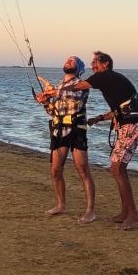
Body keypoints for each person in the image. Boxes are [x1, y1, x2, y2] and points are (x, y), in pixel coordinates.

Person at [68, 51, 138, 230]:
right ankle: (126, 212)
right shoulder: (111, 80)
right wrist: (99, 118)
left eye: (96, 62)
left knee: (116, 169)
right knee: (120, 170)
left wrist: (58, 88)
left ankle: (134, 215)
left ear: (106, 64)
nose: (92, 64)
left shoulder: (104, 76)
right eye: (92, 62)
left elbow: (78, 86)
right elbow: (121, 109)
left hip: (132, 125)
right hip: (132, 123)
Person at [34, 56, 96, 224]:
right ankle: (61, 205)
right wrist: (45, 102)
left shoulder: (81, 84)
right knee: (55, 170)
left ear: (79, 68)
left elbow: (72, 93)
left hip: (77, 131)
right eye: (67, 59)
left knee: (83, 170)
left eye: (73, 60)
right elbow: (54, 112)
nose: (68, 61)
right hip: (59, 131)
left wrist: (53, 92)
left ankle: (90, 211)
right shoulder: (59, 86)